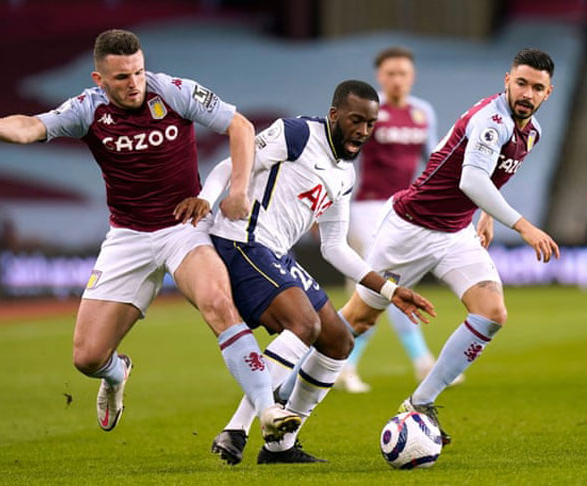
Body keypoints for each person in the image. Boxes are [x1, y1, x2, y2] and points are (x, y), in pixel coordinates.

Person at [0, 29, 300, 444]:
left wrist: (239, 190)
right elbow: (32, 126)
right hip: (129, 237)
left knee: (218, 305)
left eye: (138, 71)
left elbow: (240, 126)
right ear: (99, 80)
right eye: (121, 77)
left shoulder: (175, 91)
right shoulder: (87, 109)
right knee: (87, 358)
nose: (134, 82)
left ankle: (267, 410)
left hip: (183, 229)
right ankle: (117, 373)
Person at [175, 80, 435, 464]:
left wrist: (390, 290)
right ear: (334, 115)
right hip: (240, 242)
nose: (362, 131)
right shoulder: (295, 134)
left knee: (338, 341)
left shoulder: (345, 174)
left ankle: (280, 446)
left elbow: (335, 247)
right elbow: (228, 166)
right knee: (303, 324)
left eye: (369, 124)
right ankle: (237, 429)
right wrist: (209, 199)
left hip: (277, 254)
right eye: (355, 120)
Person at [338, 48, 559, 445]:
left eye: (537, 87)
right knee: (360, 318)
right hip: (407, 225)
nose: (527, 93)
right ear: (507, 81)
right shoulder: (491, 120)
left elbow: (491, 175)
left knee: (491, 312)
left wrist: (486, 215)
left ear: (548, 93)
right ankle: (287, 384)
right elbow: (471, 181)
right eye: (521, 83)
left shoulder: (531, 132)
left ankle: (420, 402)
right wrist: (524, 227)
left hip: (455, 231)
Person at [338, 46, 455, 392]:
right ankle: (421, 363)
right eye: (390, 73)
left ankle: (343, 366)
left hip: (402, 210)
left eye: (402, 73)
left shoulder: (423, 113)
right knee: (385, 287)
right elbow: (343, 158)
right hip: (368, 208)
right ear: (379, 77)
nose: (396, 79)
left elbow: (433, 159)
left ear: (412, 76)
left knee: (379, 291)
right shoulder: (368, 113)